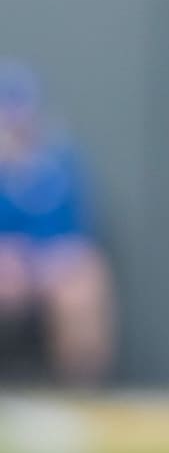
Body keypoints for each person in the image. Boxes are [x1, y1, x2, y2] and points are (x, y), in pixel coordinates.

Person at [0, 60, 116, 388]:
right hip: (7, 267)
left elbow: (72, 235)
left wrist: (41, 263)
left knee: (84, 281)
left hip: (46, 265)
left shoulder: (60, 161)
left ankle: (81, 388)